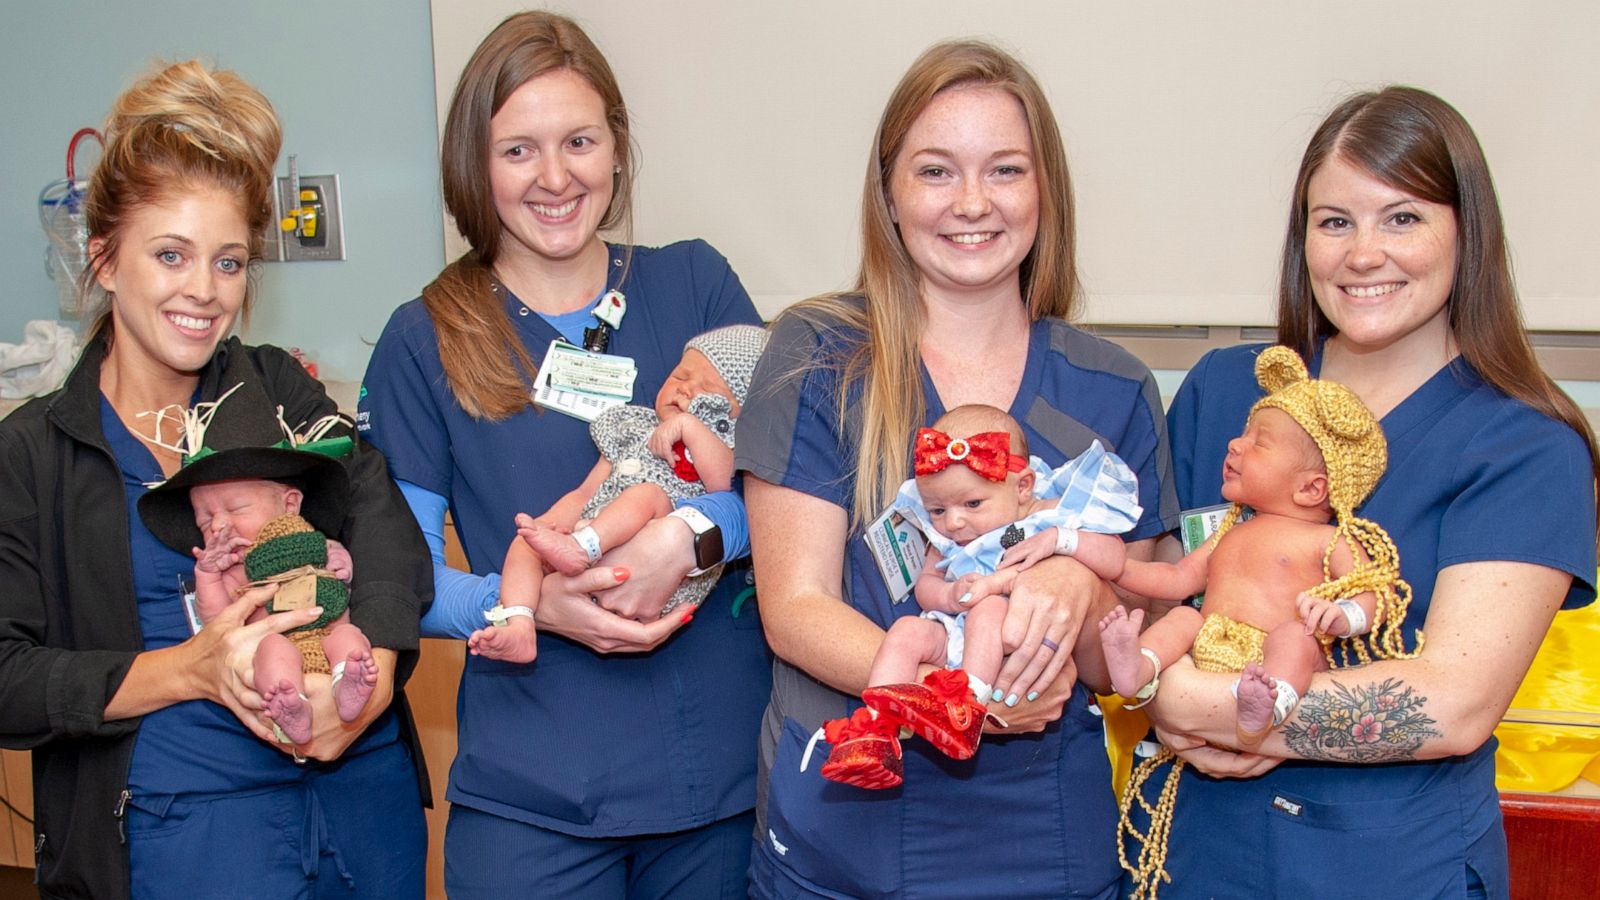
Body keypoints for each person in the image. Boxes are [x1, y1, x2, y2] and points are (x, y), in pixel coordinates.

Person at [736, 40, 1180, 898]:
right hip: (848, 825)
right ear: (889, 193)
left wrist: (1083, 593)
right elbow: (794, 609)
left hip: (1042, 836)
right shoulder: (820, 354)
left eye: (1005, 170)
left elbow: (1134, 642)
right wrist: (962, 697)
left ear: (1045, 190)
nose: (973, 203)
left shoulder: (1114, 385)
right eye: (936, 171)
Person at [1132, 86, 1598, 899]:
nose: (1362, 254)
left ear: (1467, 232)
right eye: (1334, 221)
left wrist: (1195, 703)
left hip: (1389, 868)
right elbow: (1159, 605)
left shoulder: (1524, 447)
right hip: (1194, 855)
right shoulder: (1221, 392)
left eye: (1403, 218)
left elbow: (1453, 703)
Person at [357, 11, 769, 898]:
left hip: (720, 789)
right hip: (534, 799)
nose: (555, 177)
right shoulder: (427, 338)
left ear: (616, 150)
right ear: (475, 162)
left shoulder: (696, 284)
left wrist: (693, 537)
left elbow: (788, 492)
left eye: (579, 140)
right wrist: (533, 605)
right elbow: (405, 576)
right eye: (518, 150)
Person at [0, 60, 430, 900]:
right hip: (183, 840)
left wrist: (364, 689)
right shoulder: (33, 453)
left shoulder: (275, 391)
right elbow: (7, 678)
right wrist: (189, 670)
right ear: (104, 259)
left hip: (358, 812)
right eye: (171, 254)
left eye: (229, 263)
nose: (203, 290)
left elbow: (384, 530)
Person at [1095, 345, 1417, 752]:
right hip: (1212, 643)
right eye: (1243, 434)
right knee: (1183, 620)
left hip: (1271, 656)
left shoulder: (1329, 539)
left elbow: (1378, 593)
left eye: (1258, 443)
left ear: (1311, 488)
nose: (1234, 444)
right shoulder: (1233, 528)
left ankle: (1272, 702)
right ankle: (1138, 667)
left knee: (1295, 637)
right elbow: (1178, 579)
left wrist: (1343, 616)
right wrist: (1119, 566)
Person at [818, 403, 1141, 787]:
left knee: (988, 609)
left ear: (1022, 487)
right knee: (906, 631)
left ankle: (965, 711)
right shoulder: (949, 538)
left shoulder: (1045, 515)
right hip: (956, 633)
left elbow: (1115, 558)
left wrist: (1062, 541)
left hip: (1012, 636)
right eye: (937, 509)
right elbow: (925, 587)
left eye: (973, 504)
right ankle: (876, 732)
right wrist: (948, 595)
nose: (953, 522)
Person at [471, 324, 768, 663]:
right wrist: (554, 525)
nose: (685, 391)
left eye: (708, 389)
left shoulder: (730, 447)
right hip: (589, 539)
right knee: (525, 543)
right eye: (681, 375)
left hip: (659, 573)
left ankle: (583, 549)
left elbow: (726, 488)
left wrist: (692, 429)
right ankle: (520, 623)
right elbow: (587, 490)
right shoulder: (634, 427)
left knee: (648, 494)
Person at [137, 417, 381, 744]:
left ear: (290, 505)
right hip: (280, 647)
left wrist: (340, 563)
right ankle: (291, 703)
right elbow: (217, 621)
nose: (220, 525)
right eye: (205, 520)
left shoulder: (314, 544)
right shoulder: (232, 572)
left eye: (236, 508)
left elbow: (339, 571)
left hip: (326, 636)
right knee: (272, 650)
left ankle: (347, 680)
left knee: (349, 637)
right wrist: (208, 575)